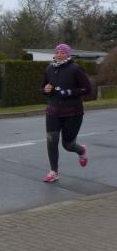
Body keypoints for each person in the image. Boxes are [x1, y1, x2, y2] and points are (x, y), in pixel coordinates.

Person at [41, 43, 91, 183]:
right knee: (52, 140)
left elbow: (87, 89)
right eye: (57, 52)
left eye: (62, 52)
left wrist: (68, 92)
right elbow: (43, 88)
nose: (59, 54)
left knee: (68, 145)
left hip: (73, 113)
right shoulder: (49, 69)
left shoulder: (75, 69)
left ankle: (81, 151)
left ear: (68, 54)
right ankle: (54, 172)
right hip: (53, 111)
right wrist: (45, 90)